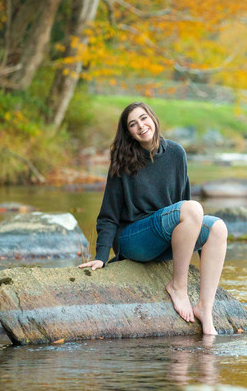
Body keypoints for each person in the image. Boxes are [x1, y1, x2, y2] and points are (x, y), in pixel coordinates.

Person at [78, 102, 227, 335]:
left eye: (144, 118)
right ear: (128, 132)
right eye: (133, 124)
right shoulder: (122, 160)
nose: (141, 126)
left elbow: (184, 206)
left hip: (165, 239)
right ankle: (178, 287)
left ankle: (204, 309)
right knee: (192, 209)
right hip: (134, 239)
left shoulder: (176, 153)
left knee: (218, 227)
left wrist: (192, 241)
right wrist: (101, 256)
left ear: (154, 119)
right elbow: (108, 214)